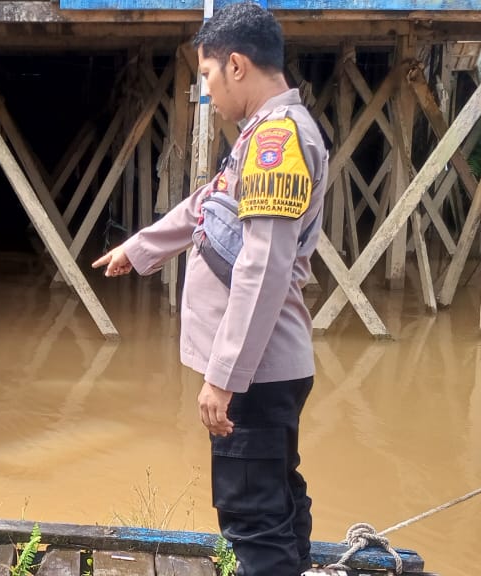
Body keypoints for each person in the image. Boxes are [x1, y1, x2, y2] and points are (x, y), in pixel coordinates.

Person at [92, 3, 328, 575]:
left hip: (255, 372)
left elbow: (264, 267)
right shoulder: (259, 137)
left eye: (206, 78)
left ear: (238, 66)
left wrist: (222, 378)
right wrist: (139, 248)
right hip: (266, 368)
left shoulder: (277, 143)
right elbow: (205, 205)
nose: (206, 94)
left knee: (253, 519)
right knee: (277, 500)